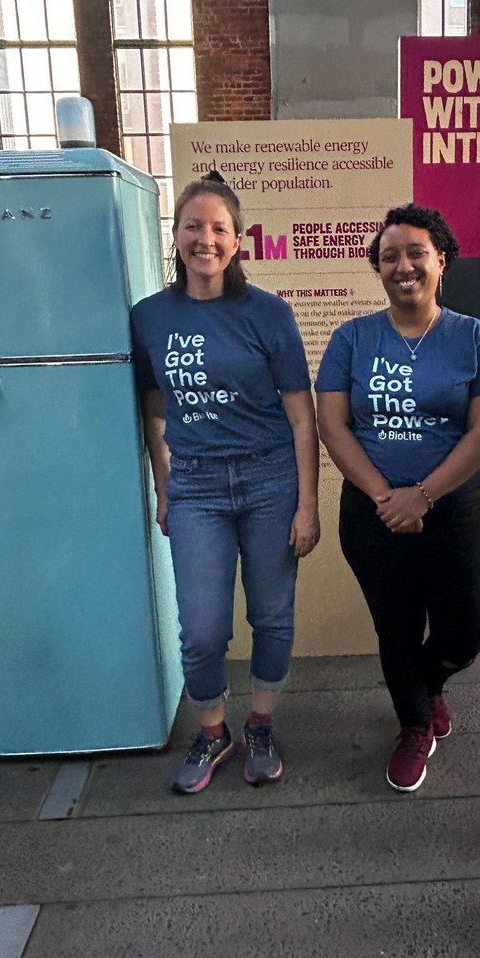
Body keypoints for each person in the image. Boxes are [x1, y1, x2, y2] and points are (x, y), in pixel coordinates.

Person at [130, 170, 319, 793]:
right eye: (192, 226)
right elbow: (154, 408)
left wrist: (307, 503)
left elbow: (300, 414)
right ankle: (214, 732)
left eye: (218, 228)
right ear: (175, 236)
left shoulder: (268, 313)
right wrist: (165, 488)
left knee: (272, 615)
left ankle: (260, 724)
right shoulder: (150, 317)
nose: (204, 239)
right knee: (204, 627)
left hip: (269, 480)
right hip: (198, 488)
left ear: (238, 241)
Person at [315, 203, 480, 792]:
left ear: (440, 260)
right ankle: (414, 723)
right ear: (377, 267)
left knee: (465, 634)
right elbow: (333, 424)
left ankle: (427, 687)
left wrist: (422, 495)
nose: (403, 265)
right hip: (373, 515)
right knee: (396, 628)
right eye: (390, 255)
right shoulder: (352, 337)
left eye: (416, 253)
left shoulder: (474, 337)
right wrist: (386, 497)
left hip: (454, 510)